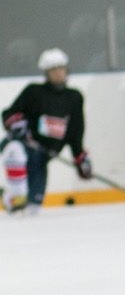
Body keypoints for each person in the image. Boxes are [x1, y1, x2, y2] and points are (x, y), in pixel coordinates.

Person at [2, 48, 92, 215]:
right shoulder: (34, 92)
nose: (58, 73)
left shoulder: (74, 97)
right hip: (26, 145)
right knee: (15, 151)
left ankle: (12, 197)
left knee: (33, 208)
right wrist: (16, 125)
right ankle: (14, 196)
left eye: (61, 68)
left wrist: (79, 156)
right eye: (53, 70)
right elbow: (9, 114)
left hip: (43, 155)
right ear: (46, 73)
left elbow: (75, 130)